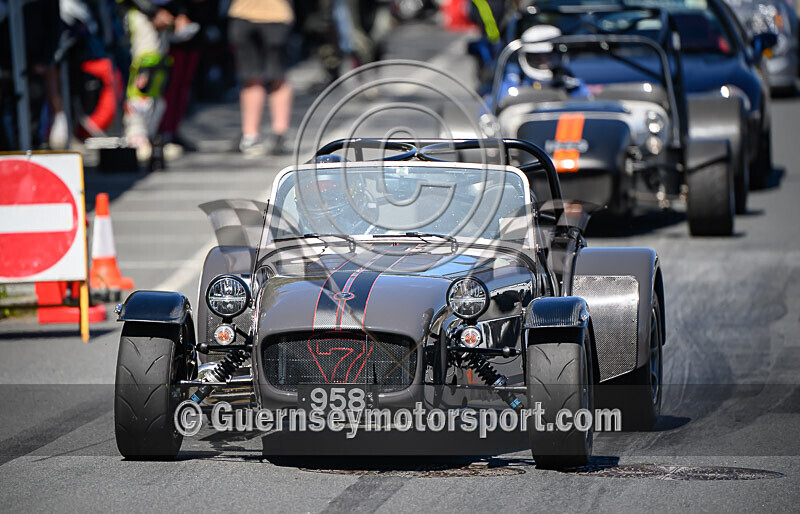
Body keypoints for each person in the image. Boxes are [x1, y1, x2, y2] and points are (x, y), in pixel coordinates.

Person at [227, 0, 294, 156]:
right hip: (244, 14)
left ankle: (279, 134)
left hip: (276, 15)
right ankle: (250, 135)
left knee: (277, 77)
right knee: (250, 78)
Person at [497, 24, 590, 106]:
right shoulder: (512, 84)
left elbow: (586, 103)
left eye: (549, 56)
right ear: (526, 57)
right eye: (537, 58)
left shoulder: (570, 83)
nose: (545, 62)